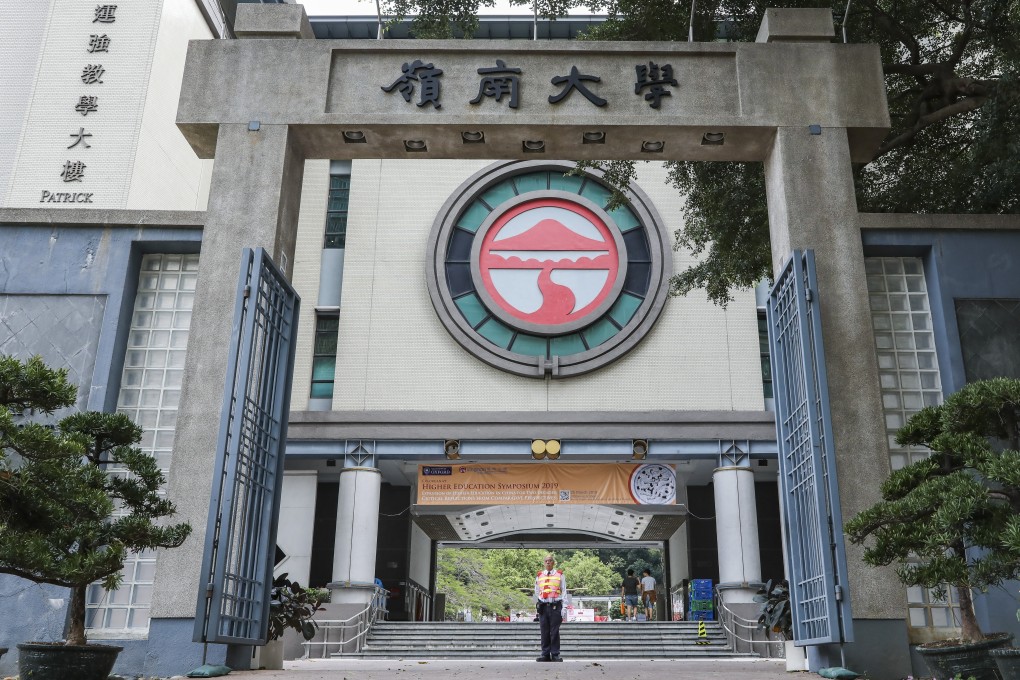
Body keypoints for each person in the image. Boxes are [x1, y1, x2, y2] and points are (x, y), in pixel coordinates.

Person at [534, 553, 566, 661]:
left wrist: (564, 608)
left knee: (555, 631)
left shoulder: (559, 574)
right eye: (546, 561)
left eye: (550, 560)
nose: (548, 562)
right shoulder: (539, 575)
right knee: (544, 631)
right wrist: (538, 604)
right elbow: (537, 591)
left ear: (553, 562)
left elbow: (564, 591)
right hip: (543, 606)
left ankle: (555, 654)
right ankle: (545, 654)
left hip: (555, 606)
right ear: (544, 563)